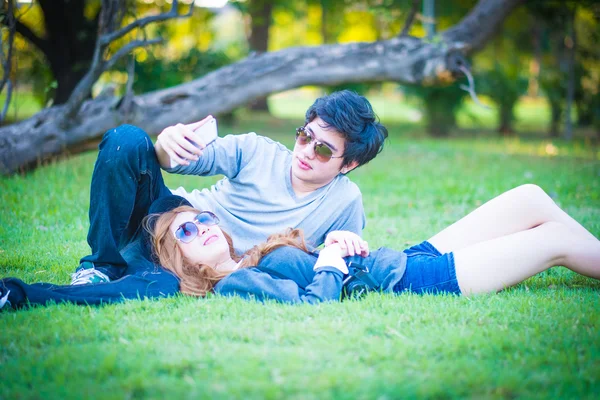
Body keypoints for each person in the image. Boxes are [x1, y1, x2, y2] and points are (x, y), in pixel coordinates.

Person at [2, 185, 599, 309]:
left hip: (404, 254)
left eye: (202, 218)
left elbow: (326, 262)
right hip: (421, 279)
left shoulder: (254, 255)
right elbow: (310, 303)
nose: (201, 226)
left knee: (529, 196)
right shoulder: (234, 283)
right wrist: (334, 266)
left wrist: (340, 242)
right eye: (184, 231)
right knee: (554, 241)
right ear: (178, 261)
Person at [67, 89, 388, 299]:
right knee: (127, 140)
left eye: (321, 150)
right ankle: (100, 267)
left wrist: (344, 247)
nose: (305, 151)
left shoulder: (345, 201)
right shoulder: (255, 150)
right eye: (305, 136)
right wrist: (167, 144)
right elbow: (177, 161)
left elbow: (339, 261)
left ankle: (125, 271)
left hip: (200, 264)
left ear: (349, 163)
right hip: (170, 217)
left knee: (153, 285)